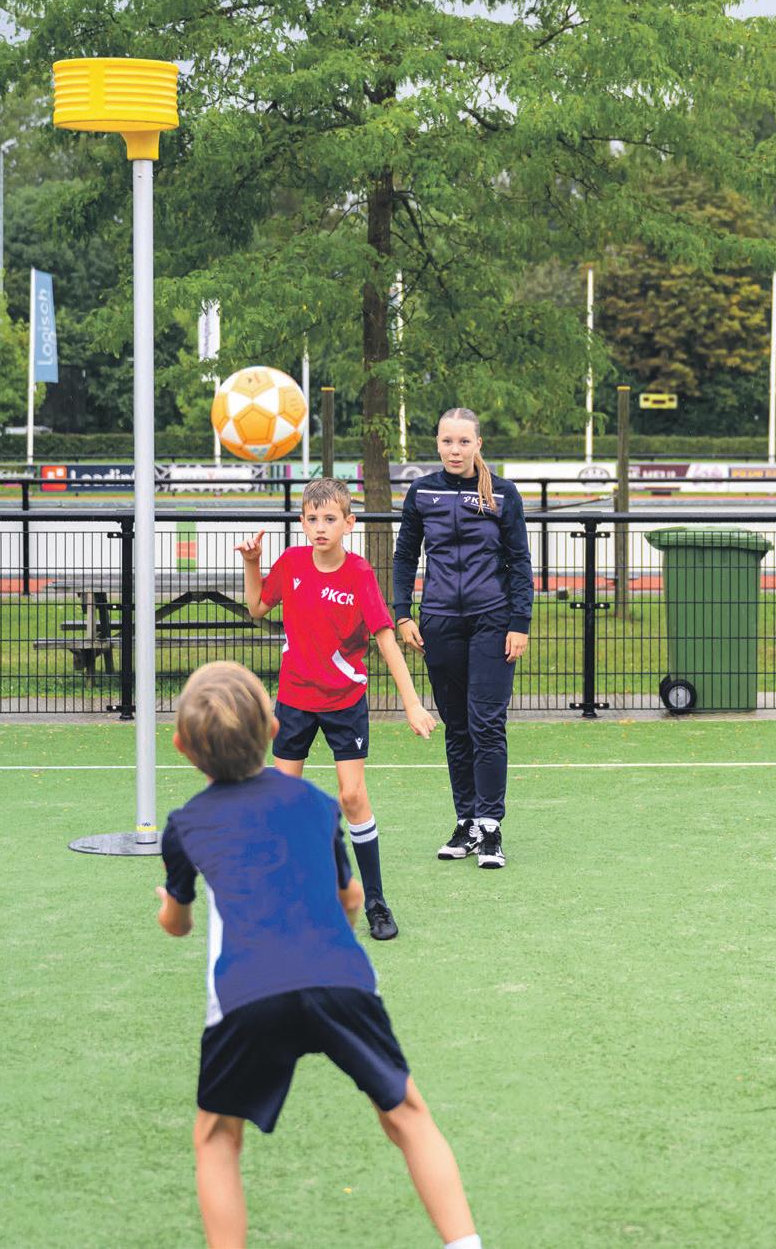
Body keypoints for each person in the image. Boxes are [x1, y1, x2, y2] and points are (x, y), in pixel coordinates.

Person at [155, 662, 479, 1249]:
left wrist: (169, 912)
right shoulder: (313, 801)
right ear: (274, 728)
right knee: (408, 1115)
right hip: (340, 977)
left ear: (181, 747)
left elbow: (177, 923)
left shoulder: (185, 824)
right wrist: (340, 925)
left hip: (247, 993)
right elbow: (349, 898)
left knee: (217, 1137)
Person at [239, 477, 436, 941]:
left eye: (330, 519)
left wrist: (412, 703)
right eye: (312, 519)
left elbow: (386, 641)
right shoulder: (291, 563)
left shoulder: (359, 574)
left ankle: (376, 902)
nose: (320, 527)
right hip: (294, 700)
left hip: (344, 702)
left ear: (349, 523)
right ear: (302, 522)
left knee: (351, 797)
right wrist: (252, 563)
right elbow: (256, 608)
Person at [393, 408, 533, 869]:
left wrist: (519, 622)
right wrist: (403, 614)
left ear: (478, 445)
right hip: (438, 624)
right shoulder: (422, 491)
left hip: (493, 621)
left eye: (463, 442)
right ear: (437, 444)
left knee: (486, 723)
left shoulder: (503, 494)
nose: (455, 450)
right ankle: (467, 821)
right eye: (447, 441)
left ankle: (490, 827)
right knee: (456, 726)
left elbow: (520, 562)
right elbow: (405, 556)